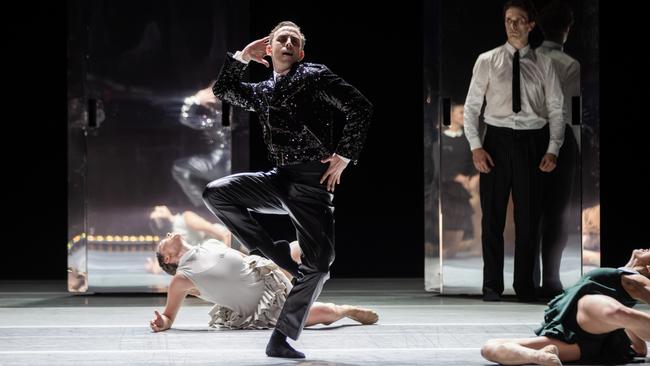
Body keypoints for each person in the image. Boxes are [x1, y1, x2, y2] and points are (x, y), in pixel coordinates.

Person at [204, 21, 372, 358]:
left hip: (312, 182)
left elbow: (360, 106)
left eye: (295, 41)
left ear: (301, 52)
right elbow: (223, 90)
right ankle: (273, 251)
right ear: (270, 48)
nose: (289, 43)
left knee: (320, 264)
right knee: (216, 192)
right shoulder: (264, 90)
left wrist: (344, 155)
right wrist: (242, 57)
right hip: (279, 179)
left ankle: (281, 337)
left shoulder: (313, 75)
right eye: (282, 39)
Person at [463, 0, 564, 302]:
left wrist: (553, 148)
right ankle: (492, 285)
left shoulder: (545, 63)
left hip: (533, 142)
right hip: (496, 140)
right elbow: (471, 107)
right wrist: (476, 146)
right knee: (492, 217)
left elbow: (557, 109)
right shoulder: (487, 60)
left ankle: (525, 285)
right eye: (508, 20)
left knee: (529, 218)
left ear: (531, 24)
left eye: (519, 20)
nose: (513, 25)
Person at [149, 233, 378, 334]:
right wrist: (162, 322)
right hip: (264, 308)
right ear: (167, 259)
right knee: (326, 311)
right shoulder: (182, 279)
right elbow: (170, 316)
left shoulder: (211, 243)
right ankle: (346, 310)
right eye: (163, 242)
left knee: (306, 243)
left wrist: (280, 265)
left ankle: (306, 276)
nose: (168, 234)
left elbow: (242, 260)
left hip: (268, 275)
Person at [480, 249, 650, 365]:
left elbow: (636, 341)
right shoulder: (624, 277)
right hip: (576, 341)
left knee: (618, 313)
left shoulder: (636, 279)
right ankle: (540, 357)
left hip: (587, 313)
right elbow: (639, 348)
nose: (646, 249)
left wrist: (627, 324)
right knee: (488, 348)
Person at [534, 0, 581, 299]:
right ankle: (551, 279)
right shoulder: (569, 64)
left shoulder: (530, 59)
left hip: (530, 136)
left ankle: (529, 278)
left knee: (531, 212)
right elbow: (571, 112)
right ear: (568, 28)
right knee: (557, 212)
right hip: (561, 138)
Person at [440, 102, 479, 258]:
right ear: (451, 115)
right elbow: (438, 163)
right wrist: (457, 177)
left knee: (452, 250)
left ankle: (474, 246)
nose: (464, 116)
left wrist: (474, 179)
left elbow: (475, 162)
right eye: (461, 112)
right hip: (445, 188)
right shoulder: (441, 138)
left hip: (465, 191)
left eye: (466, 112)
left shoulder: (469, 138)